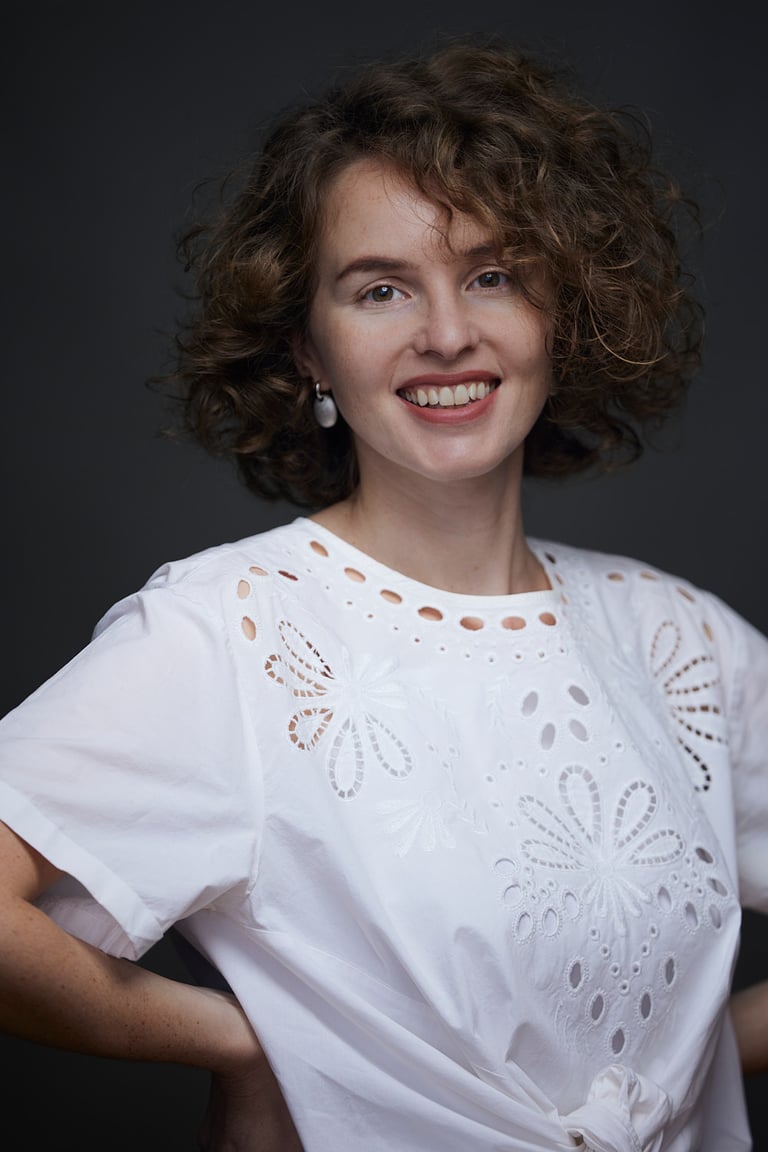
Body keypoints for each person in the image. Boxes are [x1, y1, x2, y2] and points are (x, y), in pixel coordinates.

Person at [0, 34, 766, 1152]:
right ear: (310, 349)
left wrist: (690, 1058)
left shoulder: (679, 639)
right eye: (381, 288)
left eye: (494, 274)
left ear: (566, 310)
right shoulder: (234, 635)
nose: (447, 332)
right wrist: (246, 1045)